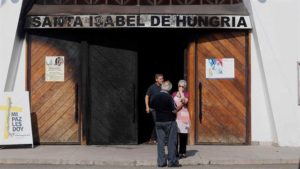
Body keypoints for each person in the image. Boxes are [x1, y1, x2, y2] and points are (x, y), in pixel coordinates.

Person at [150, 81, 181, 167]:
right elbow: (174, 109)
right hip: (169, 121)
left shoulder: (155, 96)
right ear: (170, 89)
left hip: (158, 122)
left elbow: (152, 108)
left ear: (162, 87)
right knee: (171, 142)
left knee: (160, 142)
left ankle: (161, 162)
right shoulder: (169, 97)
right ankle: (172, 162)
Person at [172, 80, 190, 159]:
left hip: (184, 117)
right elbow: (171, 103)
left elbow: (184, 102)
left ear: (185, 87)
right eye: (180, 86)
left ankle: (183, 152)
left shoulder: (186, 94)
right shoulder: (174, 94)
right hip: (176, 117)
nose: (181, 87)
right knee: (175, 135)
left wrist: (182, 94)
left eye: (183, 86)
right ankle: (175, 152)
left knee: (183, 135)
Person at [145, 74, 164, 143]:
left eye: (162, 78)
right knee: (157, 122)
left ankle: (153, 138)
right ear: (156, 80)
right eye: (160, 79)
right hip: (153, 109)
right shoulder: (152, 87)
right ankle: (156, 138)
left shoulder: (163, 87)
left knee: (159, 123)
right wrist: (147, 107)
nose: (162, 80)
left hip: (161, 109)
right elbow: (147, 96)